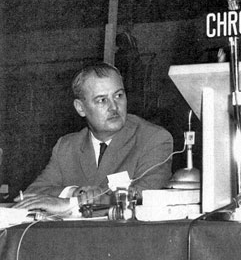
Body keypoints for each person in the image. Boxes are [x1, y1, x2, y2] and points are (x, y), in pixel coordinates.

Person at [14, 62, 173, 215]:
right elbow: (32, 194)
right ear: (80, 108)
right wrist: (75, 192)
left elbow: (145, 195)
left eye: (118, 95)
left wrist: (70, 204)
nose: (114, 107)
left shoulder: (154, 139)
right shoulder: (67, 147)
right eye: (102, 100)